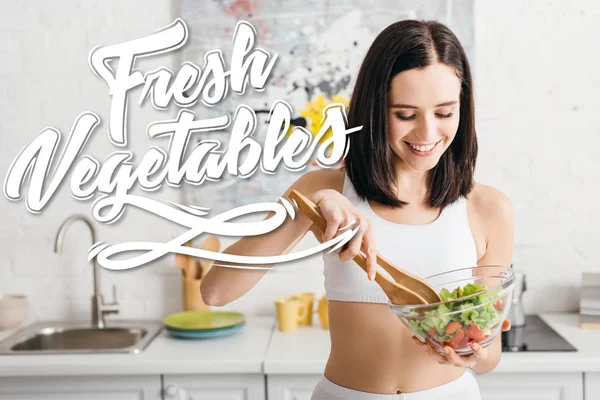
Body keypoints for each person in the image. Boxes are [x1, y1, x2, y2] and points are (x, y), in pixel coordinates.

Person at [200, 19, 514, 399]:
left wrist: (470, 352)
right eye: (405, 114)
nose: (427, 134)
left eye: (445, 113)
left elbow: (489, 356)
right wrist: (312, 207)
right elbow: (215, 292)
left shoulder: (488, 207)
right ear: (375, 108)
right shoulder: (324, 189)